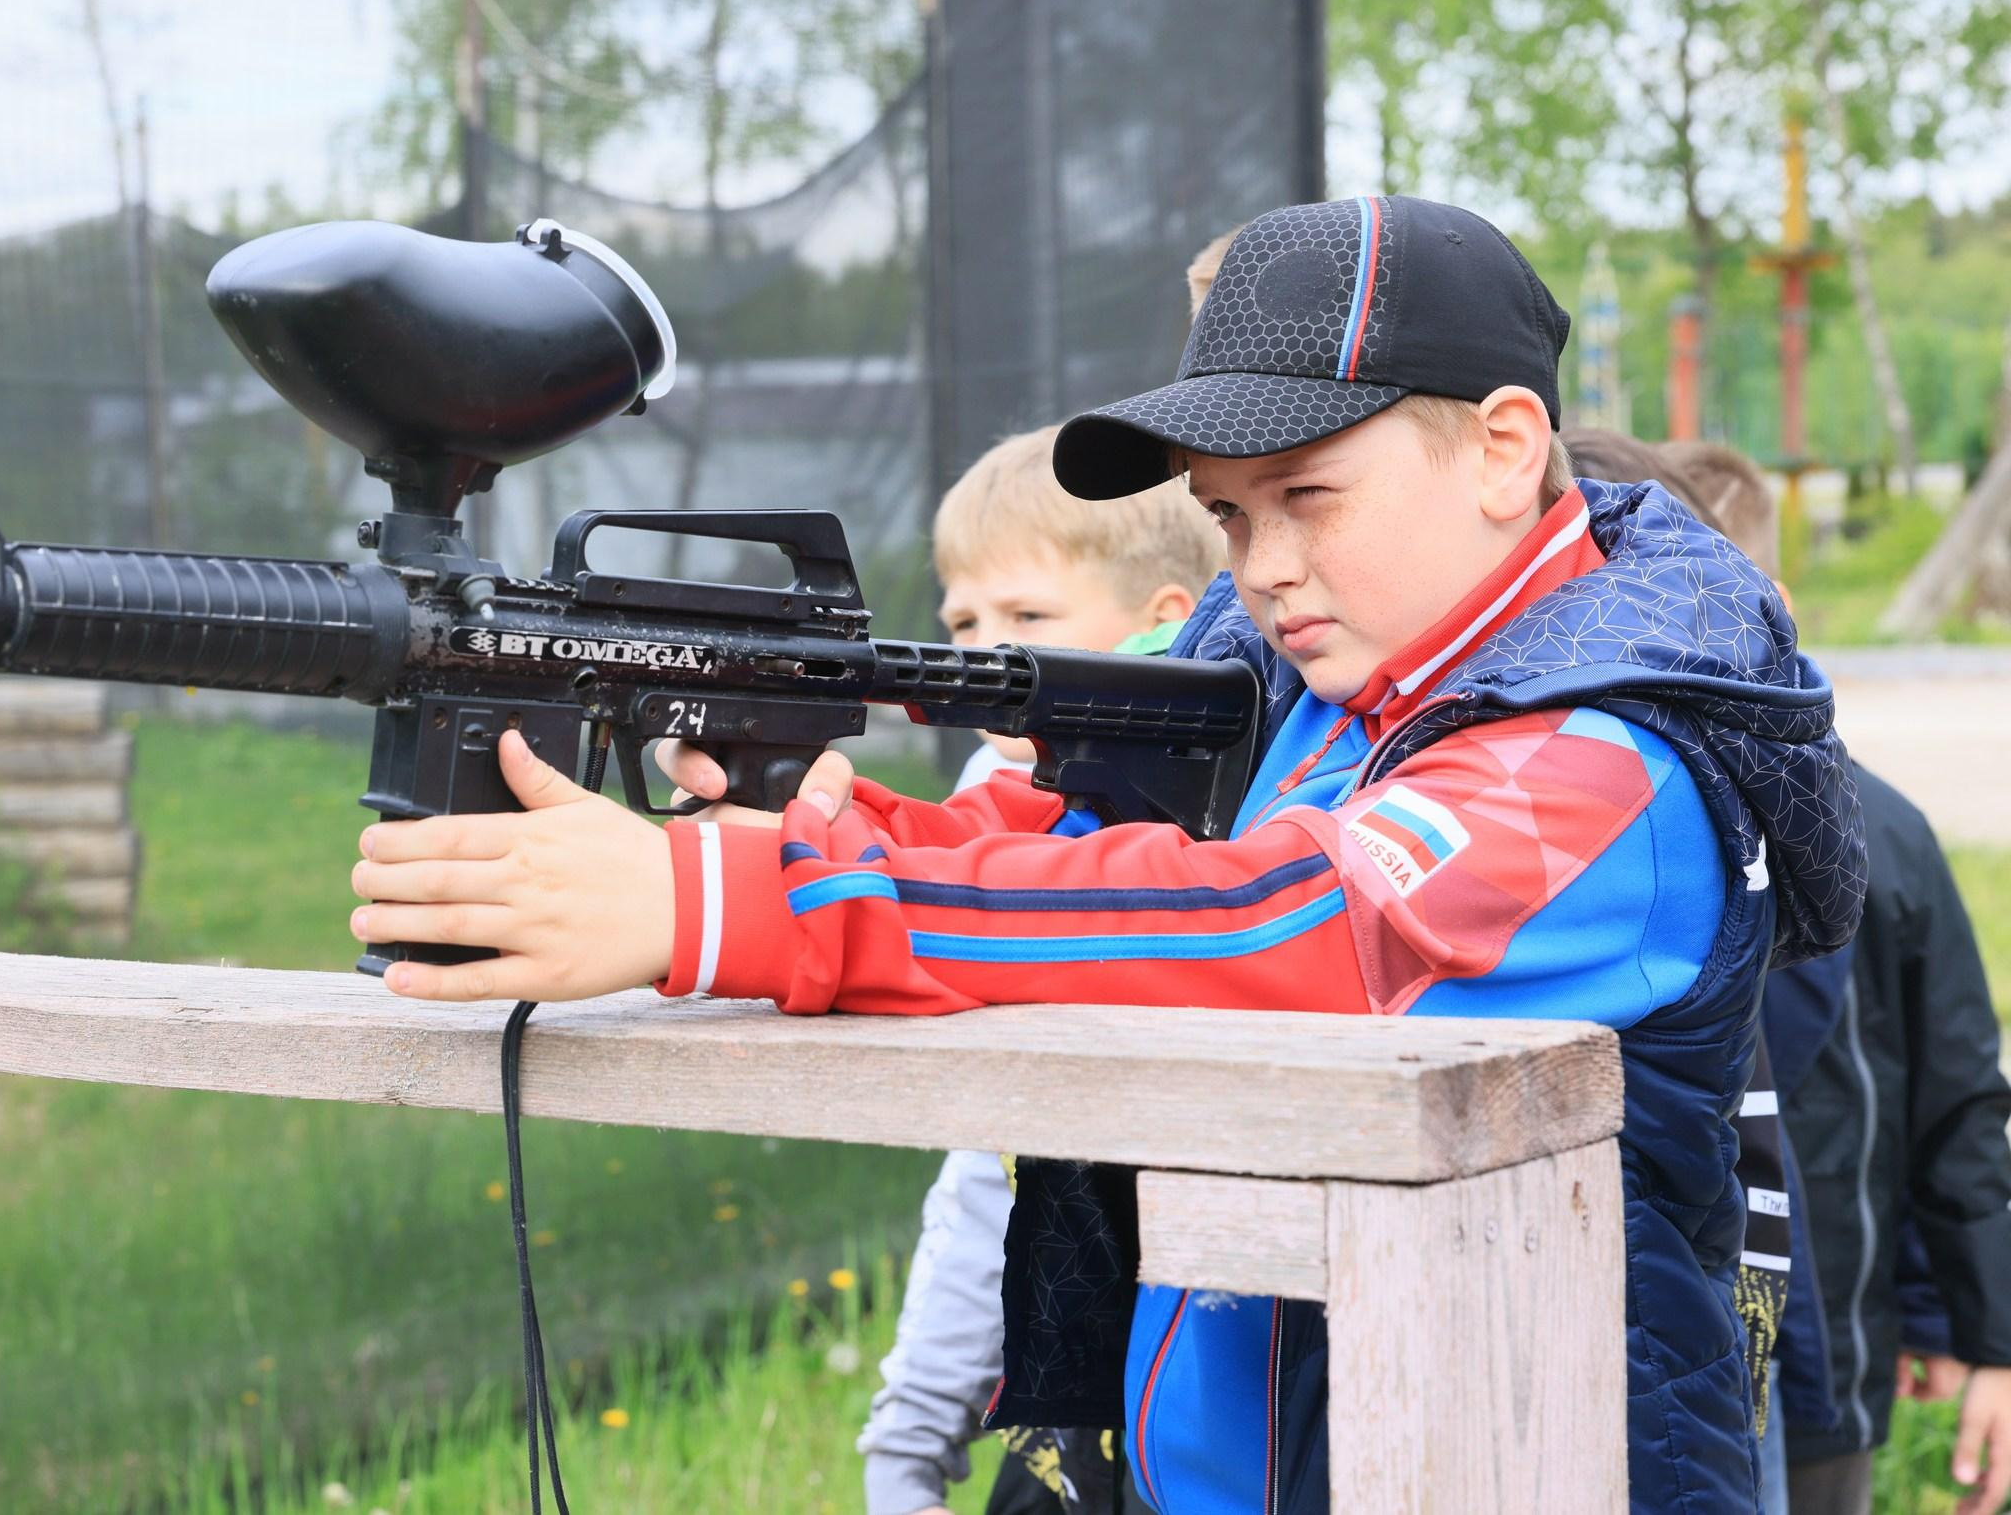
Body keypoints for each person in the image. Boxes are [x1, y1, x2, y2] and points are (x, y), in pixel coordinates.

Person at [348, 197, 1868, 1513]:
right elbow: (1048, 846)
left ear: (1502, 448)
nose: (1264, 569)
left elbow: (1282, 923)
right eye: (1229, 518)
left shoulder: (1609, 762)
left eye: (1310, 497)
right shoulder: (1318, 678)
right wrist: (795, 834)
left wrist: (730, 904)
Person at [865, 322, 1228, 1515]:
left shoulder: (1222, 802)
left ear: (1165, 622)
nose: (981, 654)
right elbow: (986, 1167)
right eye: (963, 624)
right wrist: (913, 1424)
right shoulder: (988, 798)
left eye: (1025, 618)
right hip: (1070, 1356)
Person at [1661, 441, 2011, 1515]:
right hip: (1678, 1352)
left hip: (1824, 1360)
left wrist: (1974, 1327)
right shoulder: (1627, 824)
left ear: (1772, 601)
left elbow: (1950, 1092)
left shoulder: (1882, 831)